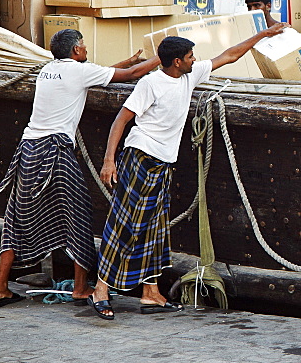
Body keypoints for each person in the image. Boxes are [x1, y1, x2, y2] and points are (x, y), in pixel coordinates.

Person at [87, 23, 287, 320]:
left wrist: (262, 35)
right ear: (177, 61)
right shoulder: (150, 83)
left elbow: (229, 56)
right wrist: (108, 160)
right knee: (124, 225)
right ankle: (100, 290)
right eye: (191, 56)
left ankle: (151, 292)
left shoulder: (188, 76)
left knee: (155, 228)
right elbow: (121, 120)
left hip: (163, 162)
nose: (195, 60)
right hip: (140, 157)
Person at [0, 30, 159, 308]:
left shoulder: (48, 69)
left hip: (28, 149)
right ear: (77, 50)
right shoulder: (78, 72)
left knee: (16, 218)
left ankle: (0, 287)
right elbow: (130, 76)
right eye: (84, 45)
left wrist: (124, 62)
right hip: (55, 149)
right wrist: (160, 57)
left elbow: (98, 73)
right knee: (78, 213)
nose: (86, 48)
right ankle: (80, 287)